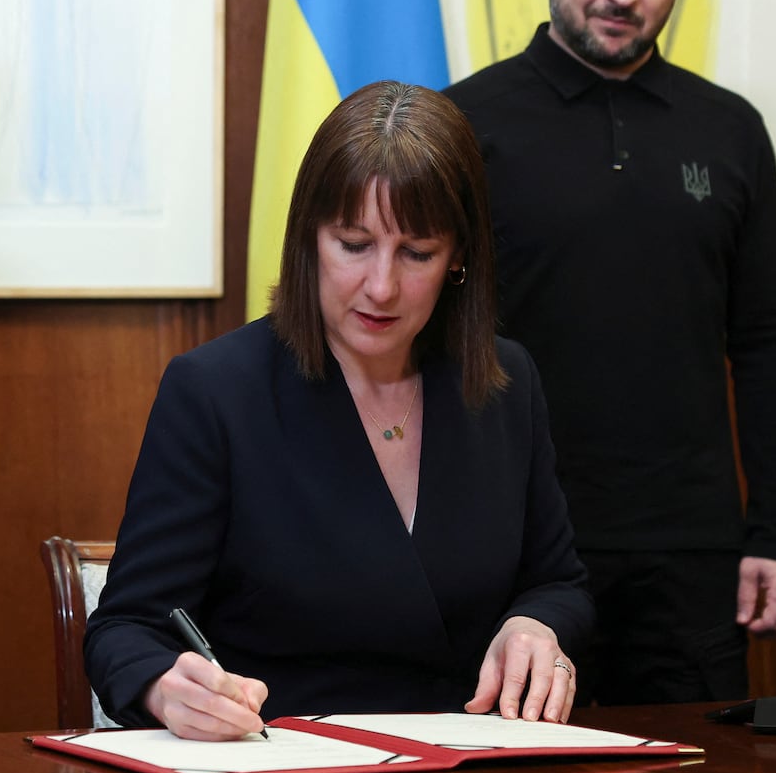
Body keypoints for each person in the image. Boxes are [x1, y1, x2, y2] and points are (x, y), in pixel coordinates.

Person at [84, 81, 593, 740]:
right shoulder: (215, 391)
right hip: (285, 770)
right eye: (354, 243)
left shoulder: (504, 381)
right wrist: (164, 687)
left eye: (417, 252)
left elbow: (559, 582)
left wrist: (537, 622)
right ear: (309, 238)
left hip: (470, 770)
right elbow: (126, 628)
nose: (381, 286)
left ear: (459, 258)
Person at [444, 0, 776, 705]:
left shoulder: (730, 130)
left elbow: (769, 341)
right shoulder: (463, 123)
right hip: (512, 547)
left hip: (691, 555)